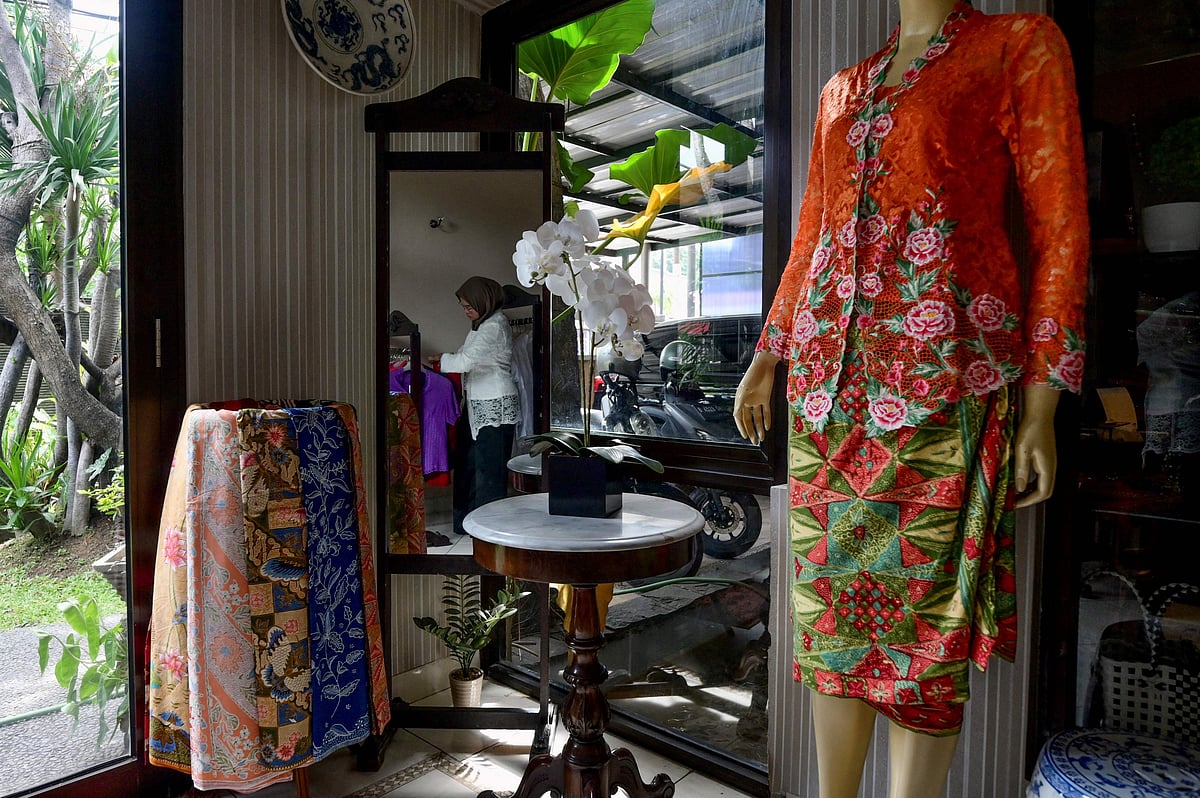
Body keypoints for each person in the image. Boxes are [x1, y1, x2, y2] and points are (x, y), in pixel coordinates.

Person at [733, 1, 1089, 796]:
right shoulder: (839, 90)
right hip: (825, 397)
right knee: (833, 628)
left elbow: (1059, 225)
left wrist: (1042, 404)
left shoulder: (1017, 46)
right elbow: (812, 237)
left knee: (927, 633)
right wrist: (769, 356)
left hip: (943, 382)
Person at [430, 276, 520, 534]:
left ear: (485, 301)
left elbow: (466, 361)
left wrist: (443, 359)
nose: (466, 312)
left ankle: (486, 528)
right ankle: (467, 524)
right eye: (464, 307)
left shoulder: (495, 325)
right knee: (470, 465)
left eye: (469, 306)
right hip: (478, 403)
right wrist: (447, 359)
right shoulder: (481, 325)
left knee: (488, 470)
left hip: (495, 404)